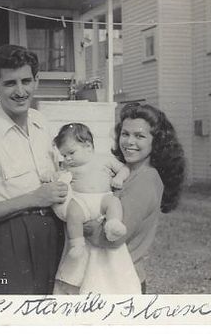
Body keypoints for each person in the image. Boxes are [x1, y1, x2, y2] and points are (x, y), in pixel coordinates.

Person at [0, 44, 68, 294]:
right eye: (10, 83)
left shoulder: (42, 123)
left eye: (26, 81)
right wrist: (32, 199)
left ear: (36, 81)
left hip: (54, 232)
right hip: (11, 238)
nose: (20, 91)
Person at [84, 103, 185, 294]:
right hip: (109, 273)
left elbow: (113, 237)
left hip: (121, 280)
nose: (129, 142)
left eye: (139, 136)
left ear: (157, 141)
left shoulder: (146, 178)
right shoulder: (126, 172)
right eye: (125, 134)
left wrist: (79, 226)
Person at [48, 123, 141, 294]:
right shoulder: (69, 167)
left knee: (114, 203)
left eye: (71, 153)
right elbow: (59, 177)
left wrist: (119, 177)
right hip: (81, 201)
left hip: (102, 199)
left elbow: (125, 168)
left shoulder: (104, 159)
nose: (67, 158)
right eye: (64, 155)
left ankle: (113, 224)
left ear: (88, 146)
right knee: (73, 213)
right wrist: (53, 176)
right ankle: (77, 244)